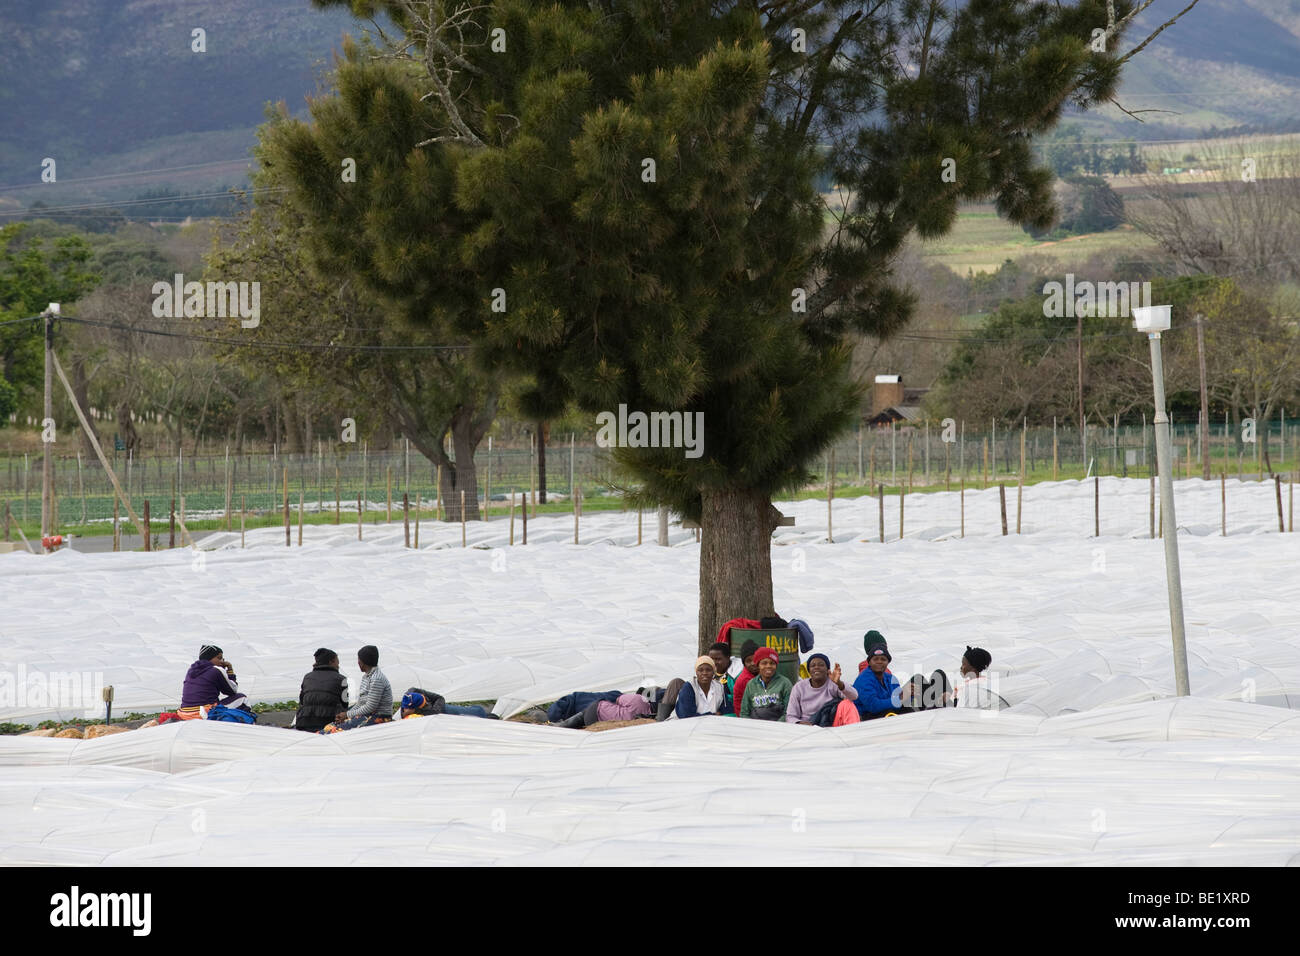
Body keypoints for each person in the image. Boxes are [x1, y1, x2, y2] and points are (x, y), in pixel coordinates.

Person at [320, 645, 392, 733]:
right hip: (367, 715)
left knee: (335, 731)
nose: (358, 662)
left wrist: (347, 714)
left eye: (359, 659)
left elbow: (370, 707)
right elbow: (360, 703)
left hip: (379, 717)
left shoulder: (377, 679)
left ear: (363, 661)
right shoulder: (366, 677)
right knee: (329, 727)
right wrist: (347, 714)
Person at [785, 653, 859, 725]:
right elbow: (790, 716)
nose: (816, 667)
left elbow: (854, 696)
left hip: (831, 725)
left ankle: (853, 734)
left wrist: (839, 683)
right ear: (809, 671)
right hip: (807, 729)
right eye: (812, 666)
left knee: (847, 704)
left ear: (827, 670)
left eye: (821, 665)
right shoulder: (799, 687)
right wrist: (800, 723)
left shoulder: (833, 683)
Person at [179, 645, 248, 719]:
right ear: (209, 657)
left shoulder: (191, 670)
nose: (222, 661)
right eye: (219, 658)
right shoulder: (216, 669)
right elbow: (232, 690)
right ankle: (245, 726)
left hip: (184, 713)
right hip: (204, 712)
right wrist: (229, 670)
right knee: (242, 698)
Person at [292, 647, 350, 732]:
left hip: (303, 722)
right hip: (328, 723)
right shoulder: (341, 679)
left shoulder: (307, 677)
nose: (338, 666)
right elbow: (345, 704)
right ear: (331, 662)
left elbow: (302, 700)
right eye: (337, 663)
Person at [740, 647, 792, 721]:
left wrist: (776, 726)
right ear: (758, 665)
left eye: (772, 663)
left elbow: (788, 712)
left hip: (778, 726)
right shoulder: (751, 684)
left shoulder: (785, 683)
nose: (768, 666)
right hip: (756, 727)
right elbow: (744, 713)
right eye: (764, 663)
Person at [852, 641, 901, 719]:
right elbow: (873, 706)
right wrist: (899, 699)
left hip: (887, 711)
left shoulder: (891, 678)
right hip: (866, 717)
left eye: (883, 659)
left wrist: (910, 694)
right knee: (889, 713)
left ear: (888, 662)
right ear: (869, 662)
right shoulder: (864, 679)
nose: (879, 662)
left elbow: (900, 698)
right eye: (875, 659)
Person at [556, 691, 653, 728]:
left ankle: (561, 725)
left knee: (586, 712)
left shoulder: (638, 699)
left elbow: (619, 699)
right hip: (597, 723)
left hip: (594, 711)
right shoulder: (648, 715)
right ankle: (564, 725)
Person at [708, 642, 740, 716]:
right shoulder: (706, 670)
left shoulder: (736, 674)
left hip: (729, 713)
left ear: (728, 657)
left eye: (718, 659)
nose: (714, 662)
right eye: (711, 659)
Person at [731, 638, 761, 715]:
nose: (753, 663)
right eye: (748, 661)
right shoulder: (745, 680)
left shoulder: (760, 673)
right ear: (744, 663)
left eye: (755, 659)